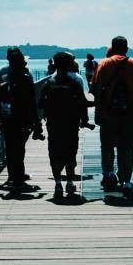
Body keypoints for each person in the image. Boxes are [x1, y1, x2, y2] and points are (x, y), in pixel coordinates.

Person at [90, 35, 133, 199]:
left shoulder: (103, 64)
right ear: (127, 48)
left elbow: (96, 89)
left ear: (111, 47)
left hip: (108, 114)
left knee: (107, 146)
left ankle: (109, 175)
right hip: (130, 115)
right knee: (127, 149)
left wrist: (98, 110)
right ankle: (126, 182)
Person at [37, 51, 91, 200]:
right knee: (70, 152)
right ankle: (69, 182)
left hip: (54, 125)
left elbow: (40, 104)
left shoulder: (49, 83)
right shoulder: (74, 83)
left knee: (54, 152)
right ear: (68, 65)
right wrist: (84, 119)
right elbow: (83, 103)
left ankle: (57, 184)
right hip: (71, 124)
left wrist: (38, 123)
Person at [0, 47, 43, 193]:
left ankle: (13, 176)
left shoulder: (1, 75)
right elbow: (32, 102)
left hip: (7, 118)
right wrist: (37, 121)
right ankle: (18, 179)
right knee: (19, 149)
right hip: (22, 119)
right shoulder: (26, 77)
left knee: (10, 148)